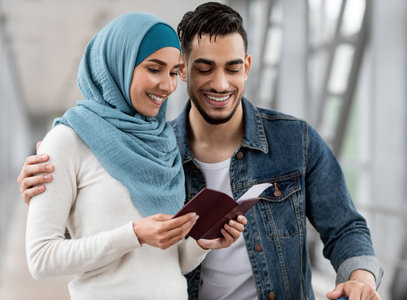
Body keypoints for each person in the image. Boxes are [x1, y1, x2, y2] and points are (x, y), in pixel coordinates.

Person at [18, 2, 383, 300]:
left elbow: (345, 226)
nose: (221, 84)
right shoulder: (161, 149)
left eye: (232, 68)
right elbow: (69, 246)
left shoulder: (294, 141)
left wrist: (361, 278)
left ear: (248, 68)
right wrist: (46, 193)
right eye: (204, 69)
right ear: (187, 71)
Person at [20, 11, 246, 299]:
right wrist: (133, 235)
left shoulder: (163, 144)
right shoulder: (67, 141)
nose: (167, 85)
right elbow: (41, 259)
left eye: (174, 72)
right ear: (120, 65)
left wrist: (203, 241)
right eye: (154, 69)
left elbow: (173, 262)